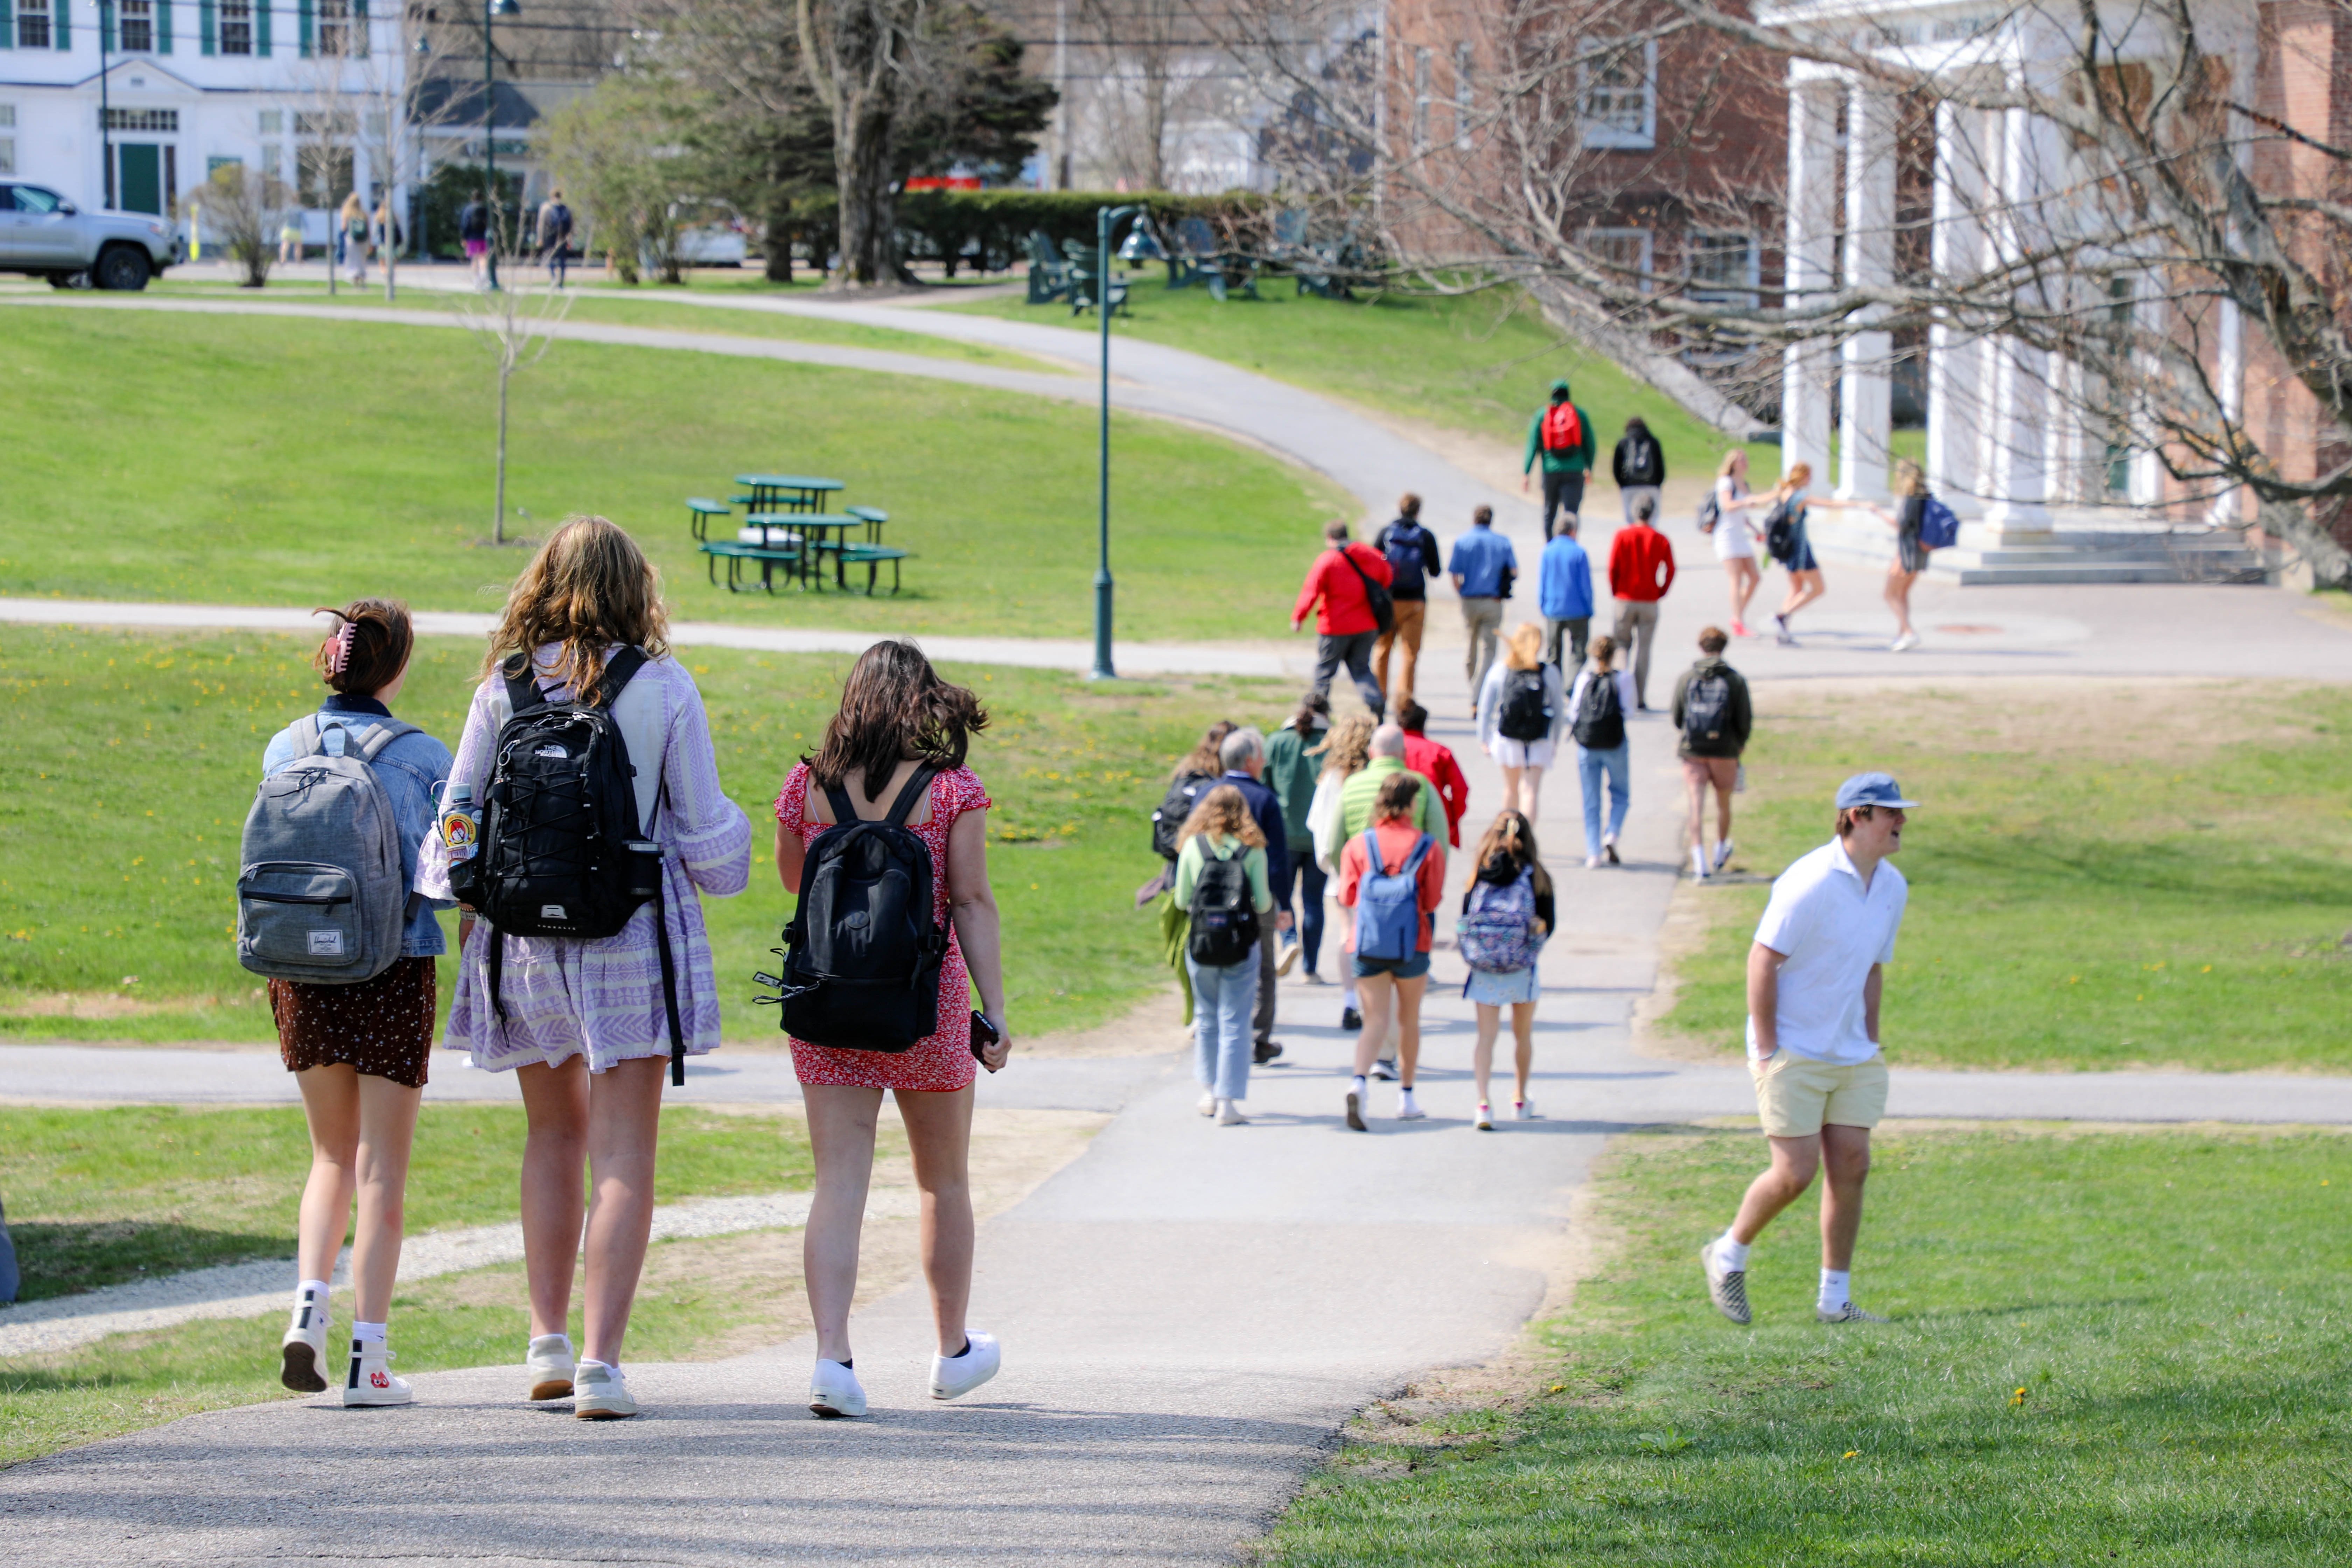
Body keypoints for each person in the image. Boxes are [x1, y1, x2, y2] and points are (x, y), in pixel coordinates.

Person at [423, 517, 753, 1421]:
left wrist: (471, 897)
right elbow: (712, 850)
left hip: (524, 943)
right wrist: (739, 844)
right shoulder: (664, 688)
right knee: (623, 1154)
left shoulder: (507, 685)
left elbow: (457, 817)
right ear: (634, 589)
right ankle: (603, 1365)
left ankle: (546, 1344)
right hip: (630, 935)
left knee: (551, 1139)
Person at [775, 639, 1011, 1419]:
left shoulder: (805, 785)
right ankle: (950, 1354)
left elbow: (794, 878)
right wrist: (996, 1009)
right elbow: (971, 901)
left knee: (837, 1183)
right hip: (927, 1007)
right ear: (920, 700)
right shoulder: (953, 790)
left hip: (827, 1000)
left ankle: (833, 1361)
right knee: (941, 1181)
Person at [264, 600, 453, 1407]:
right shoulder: (422, 757)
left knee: (329, 1157)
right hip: (391, 968)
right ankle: (368, 1360)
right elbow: (443, 877)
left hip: (300, 968)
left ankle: (308, 1308)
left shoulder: (285, 746)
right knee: (381, 1168)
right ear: (397, 668)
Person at [1701, 773, 1916, 1329]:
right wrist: (1770, 1047)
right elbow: (1762, 960)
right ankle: (1729, 1253)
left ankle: (1834, 1300)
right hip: (1792, 1047)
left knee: (1852, 1164)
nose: (1902, 822)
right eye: (1890, 813)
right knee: (1794, 1173)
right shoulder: (1810, 880)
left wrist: (1869, 1037)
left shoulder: (1892, 885)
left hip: (1852, 1051)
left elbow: (1872, 965)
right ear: (1856, 817)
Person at [1336, 773, 1446, 1130]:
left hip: (1368, 943)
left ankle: (1359, 1082)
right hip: (1412, 943)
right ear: (1411, 804)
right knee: (1409, 1019)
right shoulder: (1427, 846)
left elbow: (1347, 897)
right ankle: (1407, 1096)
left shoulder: (1358, 845)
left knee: (1375, 1020)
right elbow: (1431, 900)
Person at [1174, 784, 1275, 1126]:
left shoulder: (1193, 846)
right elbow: (1262, 904)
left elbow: (1181, 900)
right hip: (1240, 943)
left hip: (1202, 944)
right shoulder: (1253, 849)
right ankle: (1228, 1101)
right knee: (1236, 1020)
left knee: (1207, 1016)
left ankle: (1207, 1092)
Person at [1458, 811, 1554, 1130]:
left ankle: (1483, 1103)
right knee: (1522, 1035)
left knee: (1486, 1037)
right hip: (1522, 967)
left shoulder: (1479, 874)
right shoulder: (1535, 875)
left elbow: (1464, 918)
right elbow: (1548, 924)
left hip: (1485, 967)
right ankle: (1520, 1097)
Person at [1216, 727, 1295, 1064]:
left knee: (1216, 961)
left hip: (1213, 898)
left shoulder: (1209, 793)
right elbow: (1277, 858)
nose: (1264, 762)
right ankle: (1258, 1037)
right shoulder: (1264, 799)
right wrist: (1284, 904)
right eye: (1261, 757)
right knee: (1263, 969)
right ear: (1250, 761)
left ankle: (1218, 1030)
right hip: (1254, 897)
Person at [1306, 713, 1376, 1032]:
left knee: (1347, 933)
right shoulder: (1374, 776)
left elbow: (1317, 824)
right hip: (1377, 866)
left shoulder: (1332, 778)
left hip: (1342, 867)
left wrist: (1331, 863)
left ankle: (1351, 999)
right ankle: (1373, 997)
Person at [1671, 626, 1754, 880]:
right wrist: (1738, 744)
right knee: (1723, 803)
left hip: (1694, 750)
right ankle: (1719, 850)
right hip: (1725, 750)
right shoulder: (1734, 680)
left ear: (1701, 647)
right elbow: (1745, 719)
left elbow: (1678, 716)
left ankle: (1699, 863)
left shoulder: (1687, 678)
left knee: (1696, 806)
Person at [1292, 519, 1394, 720]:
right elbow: (1388, 576)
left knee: (1325, 672)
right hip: (1366, 625)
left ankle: (1317, 715)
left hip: (1335, 627)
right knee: (1362, 670)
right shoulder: (1370, 555)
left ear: (1330, 538)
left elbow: (1312, 590)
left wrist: (1299, 617)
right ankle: (1376, 705)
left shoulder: (1328, 560)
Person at [1266, 693, 1331, 984]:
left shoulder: (1278, 742)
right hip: (1319, 837)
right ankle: (1311, 968)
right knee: (1314, 901)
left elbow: (1264, 787)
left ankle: (1289, 938)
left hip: (1284, 835)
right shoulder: (1332, 744)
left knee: (1283, 896)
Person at [1476, 622, 1568, 823]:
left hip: (1507, 738)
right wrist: (1555, 740)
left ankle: (1507, 837)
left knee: (1511, 788)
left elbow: (1486, 708)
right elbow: (1560, 711)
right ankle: (1525, 841)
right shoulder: (1548, 672)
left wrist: (1484, 738)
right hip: (1539, 738)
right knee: (1530, 791)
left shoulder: (1501, 670)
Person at [1727, 461, 1825, 646]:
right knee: (1818, 588)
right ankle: (1781, 617)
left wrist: (1750, 501)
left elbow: (1764, 500)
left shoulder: (1784, 492)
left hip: (1787, 549)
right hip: (1800, 550)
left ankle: (1783, 632)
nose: (1811, 480)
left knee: (1796, 589)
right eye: (1809, 476)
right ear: (1803, 476)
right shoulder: (1799, 496)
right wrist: (1857, 505)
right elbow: (1828, 503)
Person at [1566, 633, 1637, 868]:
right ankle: (1613, 833)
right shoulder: (1623, 678)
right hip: (1615, 742)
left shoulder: (1584, 678)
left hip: (1588, 744)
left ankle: (1593, 853)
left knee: (1591, 800)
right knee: (1621, 793)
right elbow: (1629, 711)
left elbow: (1574, 712)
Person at [1606, 493, 1677, 709]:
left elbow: (1613, 567)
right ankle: (1638, 697)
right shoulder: (1660, 539)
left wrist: (1616, 590)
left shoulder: (1622, 536)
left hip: (1626, 598)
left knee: (1621, 645)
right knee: (1644, 650)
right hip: (1649, 600)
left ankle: (1619, 692)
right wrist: (1661, 591)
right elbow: (1671, 569)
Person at [1372, 495, 1442, 709]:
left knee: (1382, 649)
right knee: (1410, 654)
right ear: (1418, 511)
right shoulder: (1425, 535)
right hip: (1415, 601)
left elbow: (1372, 563)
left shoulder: (1386, 533)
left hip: (1388, 600)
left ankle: (1379, 697)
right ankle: (1404, 701)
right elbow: (1436, 570)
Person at [1862, 459, 1936, 651]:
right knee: (1902, 594)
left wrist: (1878, 512)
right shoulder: (1927, 496)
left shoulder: (1911, 499)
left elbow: (1900, 525)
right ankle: (1902, 634)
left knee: (1889, 594)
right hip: (1920, 553)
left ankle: (1909, 632)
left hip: (1906, 553)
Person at [1448, 505, 1517, 709]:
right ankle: (1480, 692)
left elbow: (1454, 573)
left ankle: (1475, 688)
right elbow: (1514, 571)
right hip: (1493, 600)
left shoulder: (1462, 541)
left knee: (1470, 645)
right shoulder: (1503, 542)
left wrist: (1461, 593)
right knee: (1489, 649)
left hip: (1469, 598)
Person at [1521, 377, 1597, 539]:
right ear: (1568, 394)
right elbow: (1591, 444)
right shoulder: (1579, 415)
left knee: (1550, 511)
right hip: (1575, 471)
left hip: (1550, 471)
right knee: (1571, 513)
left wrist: (1526, 473)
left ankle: (1550, 549)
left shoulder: (1542, 415)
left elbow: (1532, 445)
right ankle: (1570, 549)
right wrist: (1588, 467)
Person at [1396, 699, 1469, 850]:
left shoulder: (1389, 749)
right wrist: (1452, 817)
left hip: (1396, 815)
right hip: (1434, 815)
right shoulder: (1439, 752)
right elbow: (1460, 789)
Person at [1708, 450, 1763, 638]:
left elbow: (1744, 514)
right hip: (1727, 536)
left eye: (1746, 459)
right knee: (1736, 580)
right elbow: (1727, 506)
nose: (1745, 462)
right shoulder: (1726, 482)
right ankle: (1739, 622)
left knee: (1755, 577)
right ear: (1732, 463)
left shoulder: (1743, 484)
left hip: (1740, 535)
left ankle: (1737, 614)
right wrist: (1747, 501)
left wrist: (1756, 530)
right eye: (1741, 460)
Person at [1538, 514, 1595, 673]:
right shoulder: (1579, 552)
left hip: (1553, 609)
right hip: (1578, 610)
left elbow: (1542, 581)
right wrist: (1589, 608)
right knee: (1579, 652)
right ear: (1573, 531)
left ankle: (1555, 689)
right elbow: (1585, 586)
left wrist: (1543, 605)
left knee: (1553, 654)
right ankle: (1571, 685)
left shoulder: (1547, 551)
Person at [1611, 415, 1666, 526]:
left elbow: (1616, 467)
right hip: (1651, 486)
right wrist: (1657, 485)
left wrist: (1622, 484)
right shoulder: (1653, 442)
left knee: (1631, 522)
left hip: (1629, 487)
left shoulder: (1623, 443)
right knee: (1652, 522)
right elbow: (1661, 467)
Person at [537, 188, 575, 288]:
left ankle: (554, 278)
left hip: (550, 236)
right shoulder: (566, 209)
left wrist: (540, 238)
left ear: (551, 196)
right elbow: (572, 224)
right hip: (563, 237)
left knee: (550, 258)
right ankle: (561, 281)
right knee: (562, 260)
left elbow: (541, 224)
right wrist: (570, 239)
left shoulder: (546, 208)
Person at [459, 191, 492, 287]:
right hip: (483, 236)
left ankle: (476, 280)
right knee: (483, 257)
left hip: (472, 237)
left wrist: (464, 238)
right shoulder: (485, 209)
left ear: (472, 198)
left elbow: (465, 225)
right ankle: (484, 276)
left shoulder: (468, 209)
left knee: (474, 258)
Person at [338, 192, 371, 287]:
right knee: (362, 260)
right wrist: (370, 242)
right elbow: (368, 229)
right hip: (364, 241)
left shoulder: (347, 213)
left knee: (353, 260)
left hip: (352, 240)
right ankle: (362, 278)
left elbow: (344, 228)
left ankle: (355, 279)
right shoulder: (364, 214)